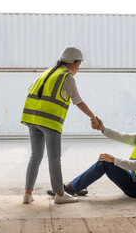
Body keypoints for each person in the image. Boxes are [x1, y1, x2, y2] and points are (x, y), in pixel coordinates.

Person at [21, 46, 98, 204]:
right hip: (49, 121)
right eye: (79, 64)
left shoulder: (47, 72)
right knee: (54, 159)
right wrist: (93, 117)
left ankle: (27, 195)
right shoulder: (66, 76)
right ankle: (60, 194)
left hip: (32, 119)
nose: (78, 68)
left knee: (35, 156)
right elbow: (78, 101)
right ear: (72, 62)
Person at [47, 108, 136, 198]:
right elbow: (121, 136)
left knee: (105, 162)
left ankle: (70, 189)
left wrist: (114, 160)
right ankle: (76, 186)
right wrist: (102, 128)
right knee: (105, 160)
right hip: (134, 180)